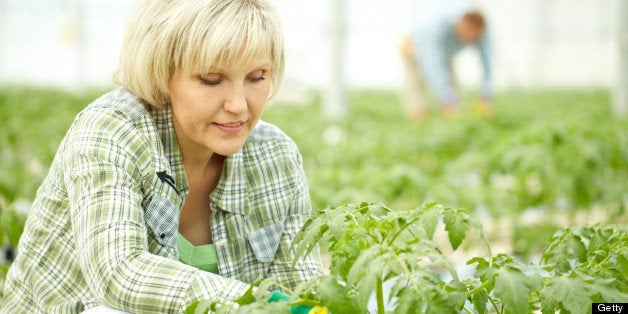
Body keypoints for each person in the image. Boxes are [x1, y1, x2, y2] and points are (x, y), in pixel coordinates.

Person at [2, 0, 324, 312]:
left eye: (257, 77)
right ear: (161, 73)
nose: (238, 105)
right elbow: (119, 274)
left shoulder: (275, 155)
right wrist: (254, 304)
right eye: (212, 80)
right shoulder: (112, 131)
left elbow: (301, 286)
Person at [400, 1, 493, 120]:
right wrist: (447, 98)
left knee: (453, 90)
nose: (469, 40)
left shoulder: (481, 30)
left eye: (473, 37)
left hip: (444, 51)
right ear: (460, 25)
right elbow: (433, 65)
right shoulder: (437, 25)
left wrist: (485, 95)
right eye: (467, 35)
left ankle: (449, 114)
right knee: (416, 82)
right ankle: (418, 116)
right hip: (414, 44)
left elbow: (487, 62)